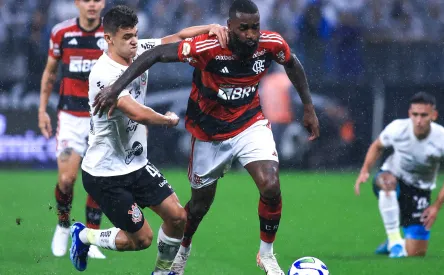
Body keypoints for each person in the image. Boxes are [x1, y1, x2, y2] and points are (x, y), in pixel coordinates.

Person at [91, 1, 320, 274]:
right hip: (208, 134)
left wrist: (308, 107)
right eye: (243, 28)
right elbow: (156, 54)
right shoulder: (207, 48)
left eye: (255, 28)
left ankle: (266, 254)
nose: (250, 34)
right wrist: (116, 89)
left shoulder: (271, 44)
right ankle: (183, 247)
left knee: (270, 185)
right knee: (198, 205)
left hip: (250, 124)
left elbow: (292, 63)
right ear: (230, 28)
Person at [69, 5, 228, 274]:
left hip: (137, 165)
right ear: (109, 39)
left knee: (178, 217)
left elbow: (177, 38)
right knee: (141, 239)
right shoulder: (103, 73)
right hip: (105, 173)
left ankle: (162, 272)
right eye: (127, 36)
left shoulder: (140, 49)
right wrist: (166, 120)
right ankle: (84, 236)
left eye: (136, 34)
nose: (134, 41)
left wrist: (209, 28)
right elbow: (136, 111)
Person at [354, 92, 444, 258]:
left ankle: (391, 243)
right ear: (409, 114)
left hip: (420, 189)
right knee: (387, 182)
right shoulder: (398, 128)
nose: (418, 120)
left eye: (424, 115)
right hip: (394, 176)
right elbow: (377, 146)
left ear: (434, 115)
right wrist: (365, 170)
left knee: (416, 253)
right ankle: (395, 240)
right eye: (415, 114)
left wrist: (436, 206)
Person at [38, 0, 107, 259]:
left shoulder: (111, 34)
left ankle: (90, 238)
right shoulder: (62, 32)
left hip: (102, 118)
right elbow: (50, 72)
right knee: (66, 180)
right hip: (70, 117)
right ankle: (64, 224)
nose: (92, 4)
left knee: (99, 181)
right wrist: (42, 109)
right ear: (77, 2)